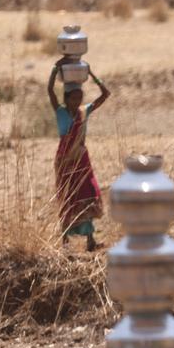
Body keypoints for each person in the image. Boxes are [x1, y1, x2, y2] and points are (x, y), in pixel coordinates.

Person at [48, 60, 110, 251]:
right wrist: (55, 68)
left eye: (79, 98)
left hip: (82, 160)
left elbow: (106, 94)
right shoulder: (60, 112)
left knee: (87, 194)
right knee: (68, 198)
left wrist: (91, 74)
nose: (76, 102)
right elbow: (50, 90)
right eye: (73, 98)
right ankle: (65, 242)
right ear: (66, 99)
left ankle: (90, 240)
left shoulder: (85, 112)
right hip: (66, 161)